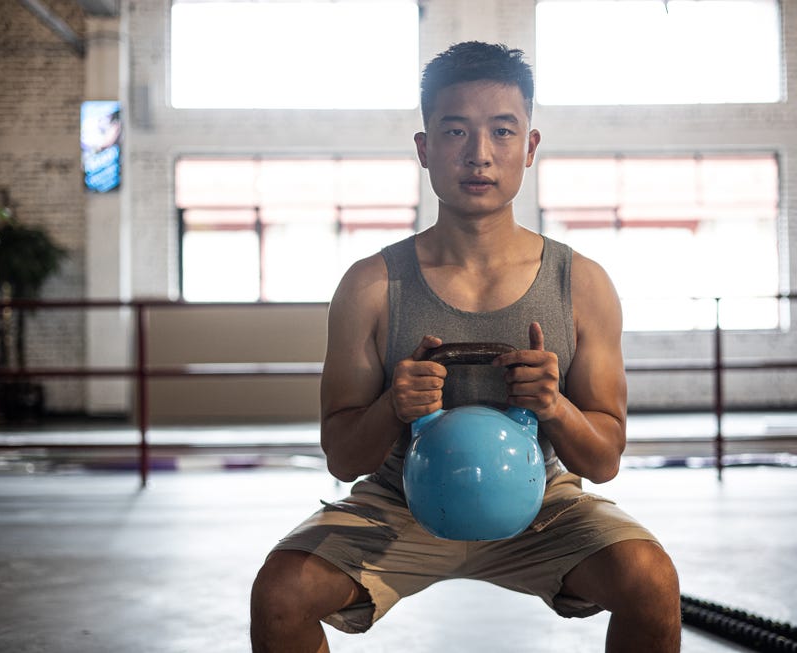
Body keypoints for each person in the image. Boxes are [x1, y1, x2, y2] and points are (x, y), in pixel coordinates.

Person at [250, 41, 681, 652]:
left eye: (502, 131)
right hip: (402, 501)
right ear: (425, 149)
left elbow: (605, 460)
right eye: (456, 131)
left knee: (650, 579)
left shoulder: (581, 283)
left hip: (540, 501)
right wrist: (391, 407)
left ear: (529, 148)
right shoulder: (371, 286)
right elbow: (344, 458)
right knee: (280, 592)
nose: (479, 154)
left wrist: (554, 406)